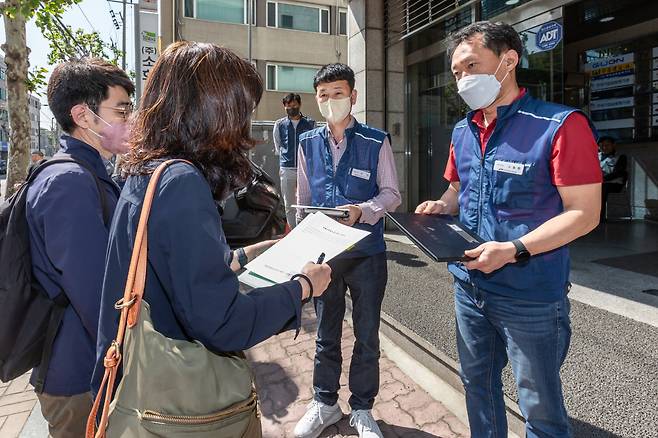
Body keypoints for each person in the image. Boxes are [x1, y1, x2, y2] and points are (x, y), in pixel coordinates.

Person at [92, 42, 332, 419]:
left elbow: (176, 270)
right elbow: (223, 322)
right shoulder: (182, 181)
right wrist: (303, 285)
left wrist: (243, 256)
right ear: (213, 110)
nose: (244, 125)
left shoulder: (147, 170)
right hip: (174, 404)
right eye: (241, 111)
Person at [415, 22, 601, 438]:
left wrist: (514, 248)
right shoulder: (463, 130)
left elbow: (585, 214)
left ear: (508, 60)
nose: (462, 79)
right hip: (469, 287)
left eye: (471, 66)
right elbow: (457, 188)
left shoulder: (559, 126)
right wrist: (441, 205)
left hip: (530, 295)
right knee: (476, 385)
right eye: (456, 72)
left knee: (540, 409)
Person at [25, 58, 134, 437]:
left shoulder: (88, 172)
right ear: (83, 116)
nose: (130, 118)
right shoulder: (69, 182)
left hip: (87, 364)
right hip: (80, 374)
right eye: (121, 109)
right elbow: (96, 295)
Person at [293, 63, 401, 438]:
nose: (330, 101)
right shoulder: (306, 142)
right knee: (325, 332)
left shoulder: (375, 141)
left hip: (367, 252)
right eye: (323, 95)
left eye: (337, 93)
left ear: (353, 96)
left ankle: (362, 408)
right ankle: (324, 402)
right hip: (326, 257)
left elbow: (391, 194)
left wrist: (363, 211)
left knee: (367, 335)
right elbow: (302, 199)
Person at [273, 93, 316, 228]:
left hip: (306, 169)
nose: (291, 108)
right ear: (284, 107)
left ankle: (306, 230)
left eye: (294, 105)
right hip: (287, 168)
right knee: (289, 203)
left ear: (299, 105)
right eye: (288, 106)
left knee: (306, 202)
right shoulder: (279, 124)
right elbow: (278, 146)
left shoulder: (310, 123)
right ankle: (293, 231)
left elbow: (314, 146)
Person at [598, 136, 628, 220]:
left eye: (607, 145)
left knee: (602, 188)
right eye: (601, 145)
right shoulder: (594, 156)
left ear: (613, 145)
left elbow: (617, 173)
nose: (604, 147)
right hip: (598, 183)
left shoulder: (620, 157)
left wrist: (601, 180)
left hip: (613, 184)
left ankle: (600, 217)